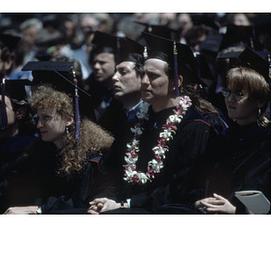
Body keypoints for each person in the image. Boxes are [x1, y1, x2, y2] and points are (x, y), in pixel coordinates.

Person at [89, 32, 226, 214]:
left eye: (152, 76)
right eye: (143, 74)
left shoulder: (195, 127)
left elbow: (181, 190)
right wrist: (105, 199)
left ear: (175, 82)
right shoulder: (134, 125)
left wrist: (124, 205)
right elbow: (109, 172)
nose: (144, 82)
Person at [0, 63, 114, 214]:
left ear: (69, 119)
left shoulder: (91, 157)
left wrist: (38, 211)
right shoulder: (40, 151)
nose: (38, 124)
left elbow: (80, 202)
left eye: (46, 117)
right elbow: (8, 187)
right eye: (37, 117)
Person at [195, 47, 270, 214]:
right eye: (227, 91)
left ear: (260, 100)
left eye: (239, 94)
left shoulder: (266, 144)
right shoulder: (221, 139)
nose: (229, 99)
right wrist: (199, 201)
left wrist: (236, 211)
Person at [97, 36, 149, 137]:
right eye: (115, 71)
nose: (114, 77)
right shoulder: (110, 118)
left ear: (143, 77)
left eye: (123, 72)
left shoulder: (154, 117)